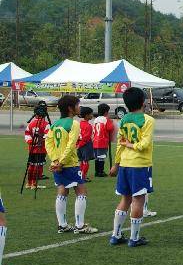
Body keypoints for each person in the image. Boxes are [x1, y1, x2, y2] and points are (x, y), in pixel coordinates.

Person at [44, 95, 97, 235]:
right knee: (81, 191)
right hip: (70, 163)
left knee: (62, 190)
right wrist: (61, 162)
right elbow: (71, 144)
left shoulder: (55, 124)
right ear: (70, 108)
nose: (79, 107)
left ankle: (62, 225)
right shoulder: (74, 124)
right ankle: (80, 226)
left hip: (58, 164)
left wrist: (55, 160)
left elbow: (48, 143)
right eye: (78, 105)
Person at [108, 87, 154, 247]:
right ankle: (134, 238)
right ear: (142, 102)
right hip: (140, 165)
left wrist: (116, 164)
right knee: (138, 200)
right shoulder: (148, 120)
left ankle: (116, 235)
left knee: (125, 198)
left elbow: (119, 145)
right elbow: (144, 144)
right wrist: (132, 145)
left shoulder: (124, 120)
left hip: (125, 165)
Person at [24, 103, 49, 190]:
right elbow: (48, 136)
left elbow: (27, 135)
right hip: (41, 149)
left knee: (31, 165)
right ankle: (34, 184)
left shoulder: (30, 124)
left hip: (31, 149)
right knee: (38, 166)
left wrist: (31, 142)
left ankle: (28, 183)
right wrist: (41, 142)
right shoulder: (46, 124)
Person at [92, 103, 115, 178]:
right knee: (101, 156)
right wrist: (111, 122)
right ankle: (101, 171)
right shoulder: (106, 120)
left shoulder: (96, 119)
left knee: (97, 157)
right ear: (106, 112)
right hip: (103, 140)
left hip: (95, 140)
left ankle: (97, 171)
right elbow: (110, 128)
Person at [77, 106, 95, 183]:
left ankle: (80, 176)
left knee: (81, 161)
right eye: (91, 114)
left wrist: (77, 145)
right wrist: (80, 144)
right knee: (85, 162)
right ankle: (83, 177)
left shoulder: (78, 124)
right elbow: (86, 138)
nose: (92, 115)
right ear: (87, 115)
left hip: (79, 145)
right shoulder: (88, 126)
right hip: (85, 145)